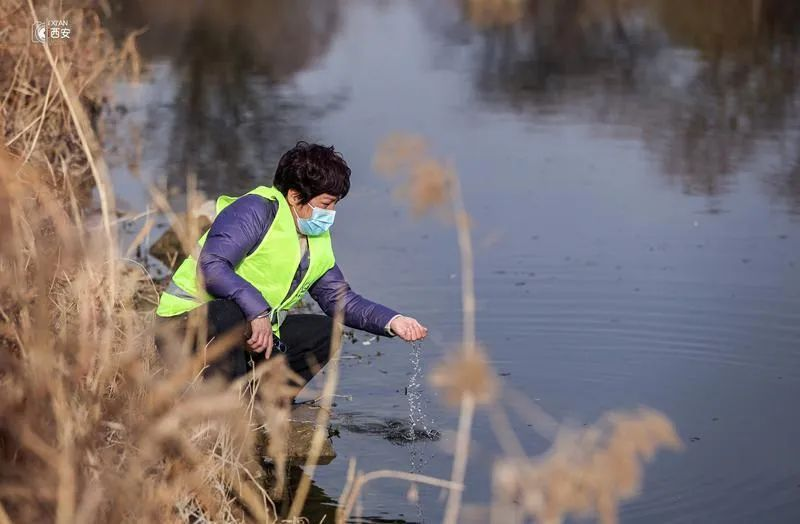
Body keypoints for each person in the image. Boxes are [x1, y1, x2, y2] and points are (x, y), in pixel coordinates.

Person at [155, 142, 428, 384]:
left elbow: (340, 300)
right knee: (230, 312)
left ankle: (266, 403)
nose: (331, 214)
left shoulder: (315, 237)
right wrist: (258, 312)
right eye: (326, 203)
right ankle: (227, 409)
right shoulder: (256, 210)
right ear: (296, 196)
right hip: (183, 327)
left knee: (325, 332)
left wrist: (393, 321)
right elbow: (211, 266)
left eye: (335, 205)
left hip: (248, 330)